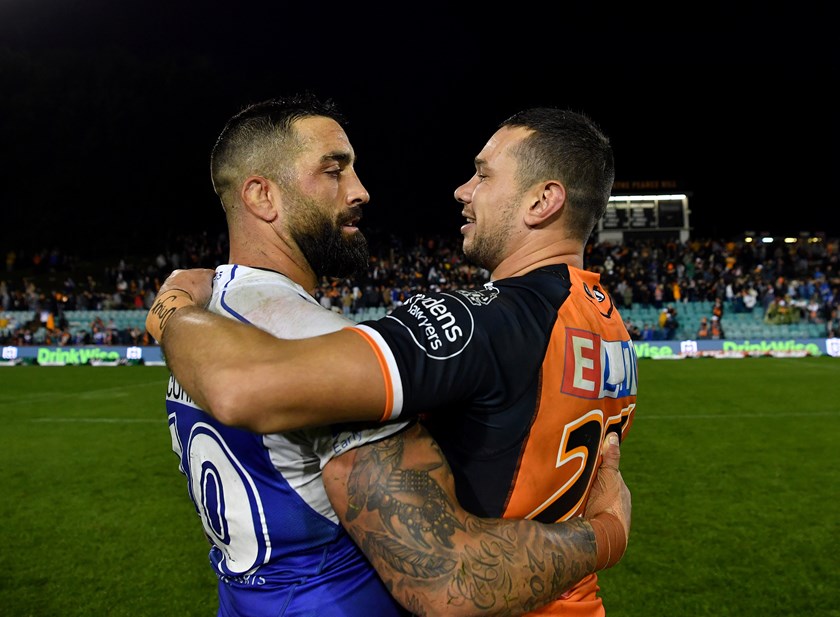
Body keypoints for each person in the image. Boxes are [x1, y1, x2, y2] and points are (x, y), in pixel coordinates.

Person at [148, 104, 637, 615]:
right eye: (335, 170)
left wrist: (170, 308)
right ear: (261, 195)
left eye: (483, 175)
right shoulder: (609, 327)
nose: (463, 190)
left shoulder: (473, 321)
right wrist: (605, 530)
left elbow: (449, 582)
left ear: (543, 201)